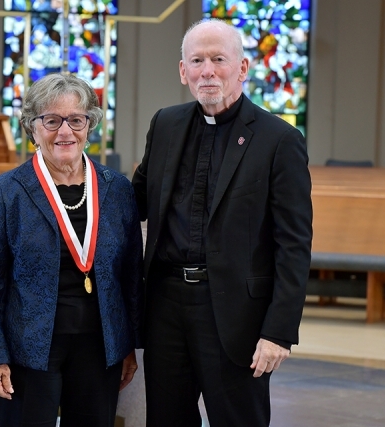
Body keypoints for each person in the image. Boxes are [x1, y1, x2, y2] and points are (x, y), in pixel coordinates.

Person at [132, 19, 313, 427]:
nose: (207, 71)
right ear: (183, 71)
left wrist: (279, 331)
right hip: (166, 308)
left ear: (243, 68)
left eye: (218, 59)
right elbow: (133, 203)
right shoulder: (165, 124)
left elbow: (294, 245)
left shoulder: (279, 140)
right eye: (197, 60)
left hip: (235, 316)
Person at [0, 73, 143, 427]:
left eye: (76, 120)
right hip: (29, 348)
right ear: (32, 127)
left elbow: (130, 274)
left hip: (100, 348)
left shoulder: (117, 189)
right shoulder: (6, 191)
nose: (65, 132)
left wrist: (127, 344)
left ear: (89, 125)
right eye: (51, 120)